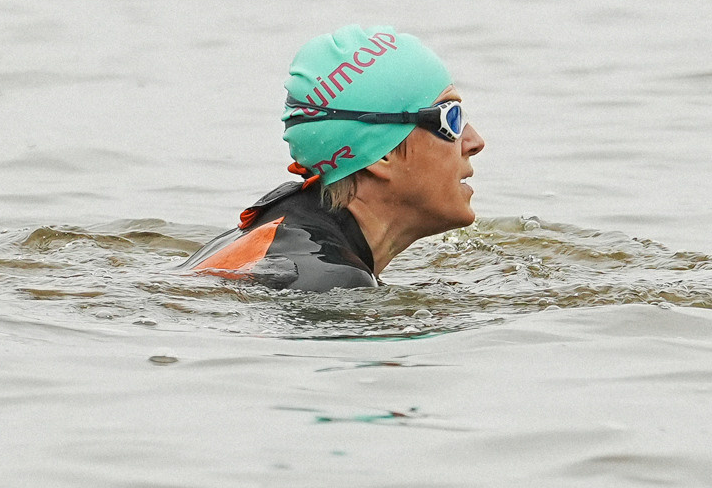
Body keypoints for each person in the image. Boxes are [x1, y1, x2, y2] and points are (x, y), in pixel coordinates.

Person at [179, 26, 486, 290]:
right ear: (381, 155)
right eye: (451, 118)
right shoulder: (327, 278)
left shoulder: (290, 238)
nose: (475, 141)